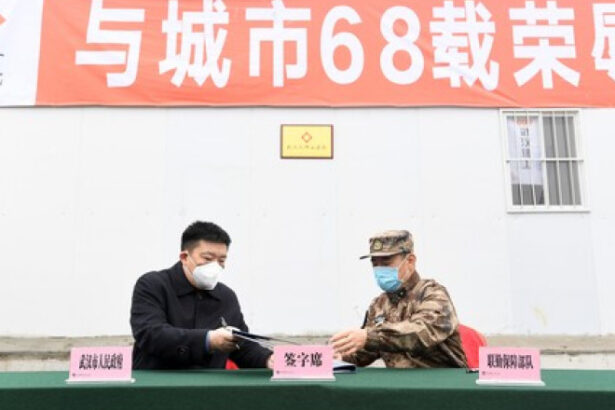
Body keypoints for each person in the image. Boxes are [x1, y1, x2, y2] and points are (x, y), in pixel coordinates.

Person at [130, 221, 273, 369]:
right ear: (184, 257)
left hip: (211, 383)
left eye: (221, 260)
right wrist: (208, 340)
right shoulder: (153, 285)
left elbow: (242, 346)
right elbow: (151, 334)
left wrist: (268, 359)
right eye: (207, 258)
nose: (215, 266)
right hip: (158, 380)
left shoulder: (226, 296)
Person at [330, 230, 467, 368]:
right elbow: (366, 352)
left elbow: (420, 333)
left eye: (386, 262)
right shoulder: (379, 305)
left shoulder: (433, 294)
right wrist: (342, 356)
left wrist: (369, 337)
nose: (379, 269)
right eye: (375, 263)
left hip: (441, 379)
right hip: (398, 381)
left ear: (410, 261)